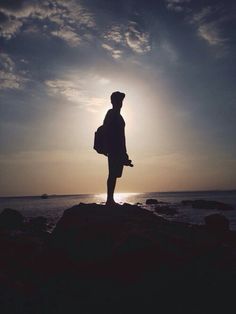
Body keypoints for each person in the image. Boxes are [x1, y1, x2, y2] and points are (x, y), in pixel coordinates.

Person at [103, 91, 133, 205]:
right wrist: (107, 146)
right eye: (118, 100)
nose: (120, 103)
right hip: (113, 147)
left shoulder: (120, 116)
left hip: (119, 148)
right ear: (112, 101)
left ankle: (110, 199)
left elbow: (122, 136)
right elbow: (106, 129)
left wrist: (124, 153)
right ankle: (109, 200)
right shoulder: (111, 113)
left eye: (121, 101)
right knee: (112, 173)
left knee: (115, 174)